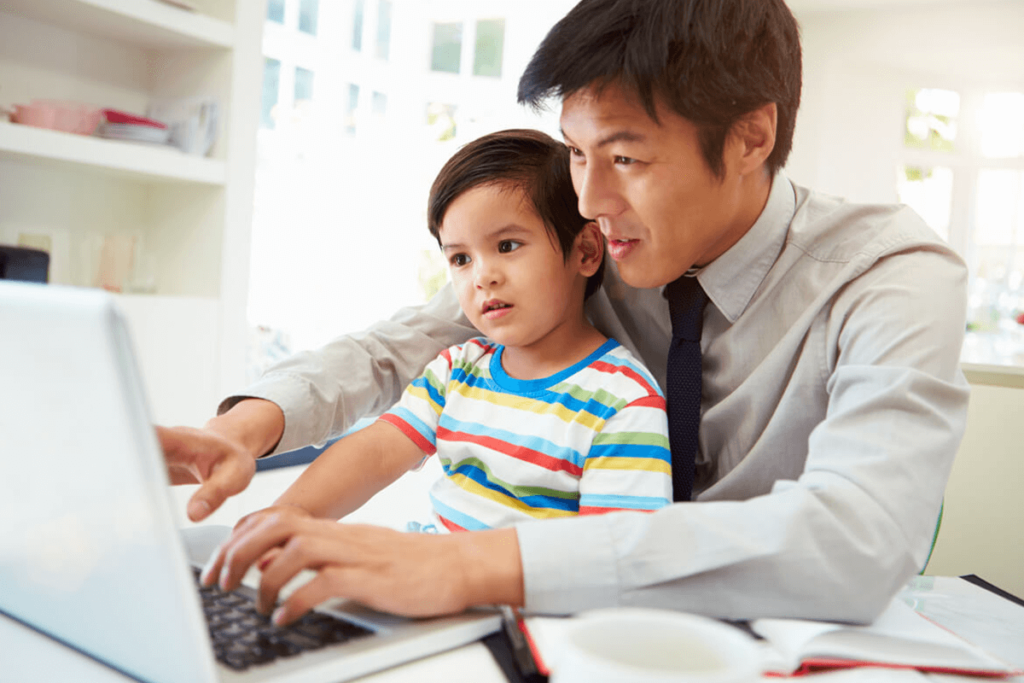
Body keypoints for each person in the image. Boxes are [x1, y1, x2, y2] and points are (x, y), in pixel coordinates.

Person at [165, 0, 969, 627]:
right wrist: (252, 422)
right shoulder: (596, 247)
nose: (588, 199)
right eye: (577, 154)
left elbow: (859, 539)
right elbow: (403, 345)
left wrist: (472, 564)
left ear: (752, 134)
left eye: (625, 157)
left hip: (776, 640)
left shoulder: (891, 276)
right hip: (576, 633)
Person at [201, 131, 670, 585]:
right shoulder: (458, 368)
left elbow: (614, 564)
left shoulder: (623, 401)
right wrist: (287, 515)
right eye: (461, 259)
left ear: (585, 250)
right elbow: (378, 451)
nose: (482, 277)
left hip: (522, 617)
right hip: (423, 589)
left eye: (507, 246)